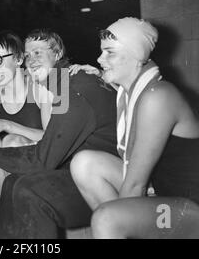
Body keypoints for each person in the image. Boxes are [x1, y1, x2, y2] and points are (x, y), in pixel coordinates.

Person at [0, 28, 118, 238]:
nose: (32, 59)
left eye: (39, 52)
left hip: (94, 173)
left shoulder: (67, 87)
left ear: (57, 54)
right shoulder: (59, 82)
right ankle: (8, 228)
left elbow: (46, 152)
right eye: (29, 54)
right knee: (6, 172)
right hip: (67, 165)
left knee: (17, 163)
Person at [70, 17, 199, 239]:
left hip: (187, 212)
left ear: (137, 56)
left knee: (107, 218)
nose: (100, 58)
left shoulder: (158, 97)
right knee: (85, 163)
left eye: (110, 52)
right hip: (162, 197)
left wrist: (121, 218)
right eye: (102, 51)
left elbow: (136, 184)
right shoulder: (134, 91)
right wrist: (96, 74)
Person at [0, 31, 51, 217]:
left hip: (41, 164)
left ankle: (20, 217)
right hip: (4, 171)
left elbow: (51, 138)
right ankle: (4, 216)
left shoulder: (40, 88)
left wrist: (7, 125)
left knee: (12, 141)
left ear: (18, 59)